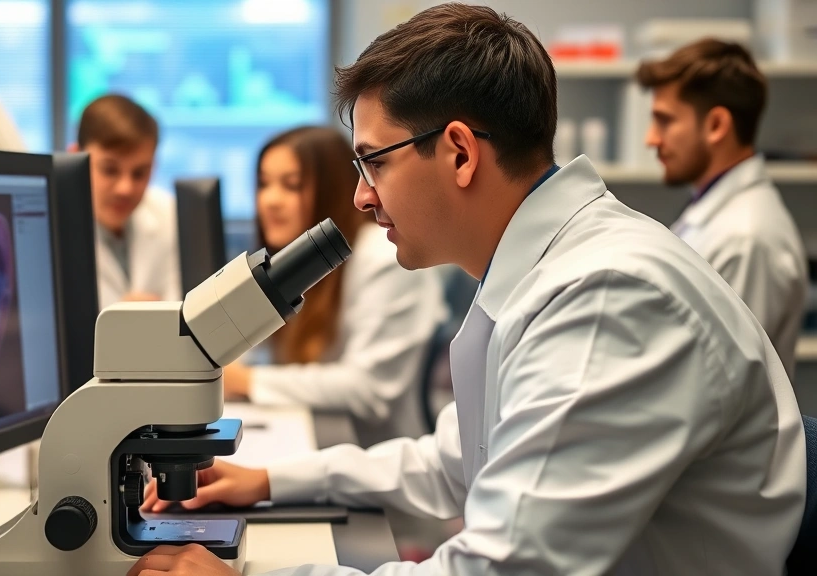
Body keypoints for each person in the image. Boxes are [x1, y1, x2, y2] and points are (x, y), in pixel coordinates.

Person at [131, 4, 806, 575]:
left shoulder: (607, 296)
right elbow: (453, 461)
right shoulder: (540, 270)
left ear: (459, 152)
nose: (361, 197)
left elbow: (503, 569)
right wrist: (271, 481)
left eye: (373, 163)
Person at [222, 126, 446, 446]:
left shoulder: (385, 259)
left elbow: (368, 388)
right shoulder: (293, 261)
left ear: (332, 190)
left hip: (375, 453)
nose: (270, 200)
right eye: (264, 184)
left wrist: (248, 381)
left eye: (291, 185)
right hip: (322, 440)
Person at [637, 39, 809, 378]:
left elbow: (725, 379)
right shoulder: (715, 213)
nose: (651, 139)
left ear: (716, 125)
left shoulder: (746, 239)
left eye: (665, 121)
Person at [70, 94, 181, 307]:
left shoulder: (170, 215)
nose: (125, 189)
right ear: (75, 158)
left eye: (139, 173)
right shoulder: (51, 232)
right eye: (109, 170)